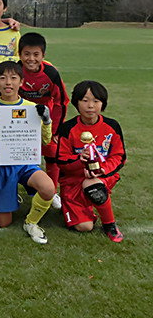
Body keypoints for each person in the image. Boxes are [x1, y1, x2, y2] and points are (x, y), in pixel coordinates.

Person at [0, 61, 55, 244]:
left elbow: (45, 140)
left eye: (13, 78)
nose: (8, 83)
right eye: (2, 78)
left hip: (25, 163)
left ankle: (31, 222)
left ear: (21, 82)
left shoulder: (31, 108)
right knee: (3, 222)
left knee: (48, 188)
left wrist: (46, 121)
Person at [56, 81, 125, 242]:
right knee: (84, 227)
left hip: (102, 177)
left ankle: (110, 225)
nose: (90, 106)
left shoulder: (112, 126)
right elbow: (62, 161)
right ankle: (74, 203)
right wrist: (80, 162)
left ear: (103, 103)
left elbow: (119, 156)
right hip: (73, 180)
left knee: (92, 183)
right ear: (76, 102)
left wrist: (102, 170)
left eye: (96, 101)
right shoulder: (68, 128)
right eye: (85, 100)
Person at [18, 32, 69, 210]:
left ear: (43, 55)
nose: (31, 59)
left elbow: (62, 102)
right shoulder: (16, 70)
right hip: (21, 119)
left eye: (36, 54)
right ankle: (14, 189)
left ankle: (52, 190)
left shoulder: (51, 73)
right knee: (16, 152)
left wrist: (55, 130)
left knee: (52, 151)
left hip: (44, 119)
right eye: (26, 54)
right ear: (19, 55)